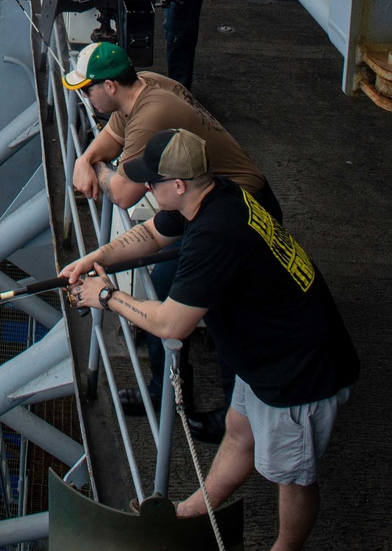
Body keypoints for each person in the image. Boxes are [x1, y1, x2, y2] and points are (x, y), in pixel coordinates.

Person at [62, 128, 358, 551]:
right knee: (240, 432)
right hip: (263, 356)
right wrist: (97, 258)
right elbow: (153, 234)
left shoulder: (216, 234)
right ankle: (190, 511)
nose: (145, 187)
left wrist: (105, 297)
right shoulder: (214, 192)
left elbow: (171, 324)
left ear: (177, 185)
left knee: (292, 477)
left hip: (298, 372)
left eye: (152, 181)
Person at [65, 41, 281, 438]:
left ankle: (239, 416)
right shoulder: (141, 87)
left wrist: (107, 295)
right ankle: (166, 392)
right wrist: (85, 162)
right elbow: (149, 228)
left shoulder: (152, 115)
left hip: (239, 211)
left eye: (86, 89)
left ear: (109, 87)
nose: (84, 96)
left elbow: (127, 193)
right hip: (200, 203)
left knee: (224, 308)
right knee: (164, 282)